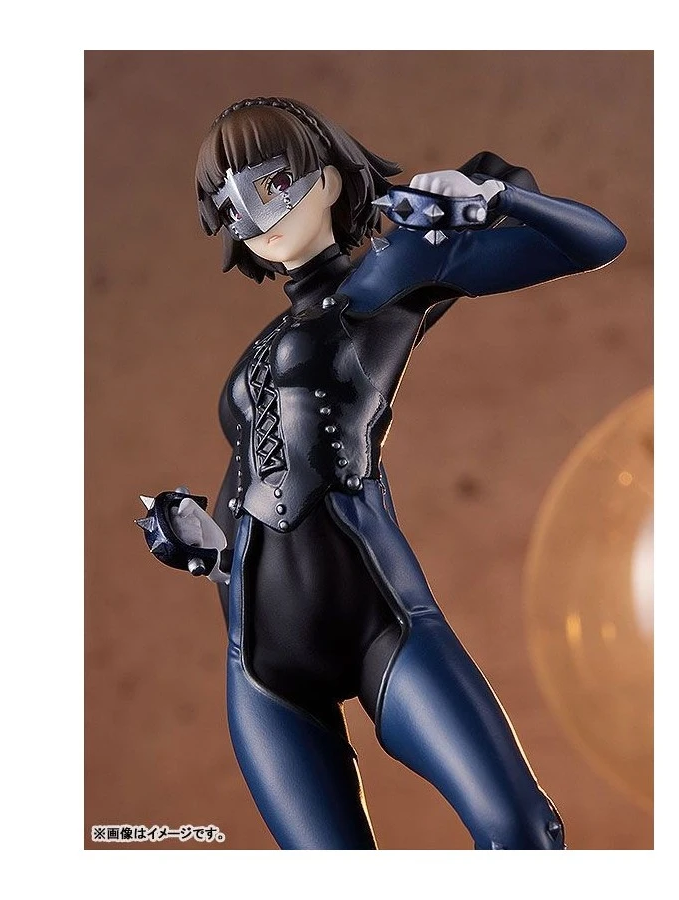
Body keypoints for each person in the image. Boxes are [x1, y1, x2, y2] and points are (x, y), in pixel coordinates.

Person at [140, 96, 626, 849]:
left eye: (269, 185)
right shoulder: (264, 342)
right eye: (229, 204)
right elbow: (264, 491)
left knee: (523, 834)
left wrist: (501, 198)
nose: (255, 217)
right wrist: (208, 551)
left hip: (380, 620)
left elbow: (598, 241)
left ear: (329, 179)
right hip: (261, 661)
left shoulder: (388, 277)